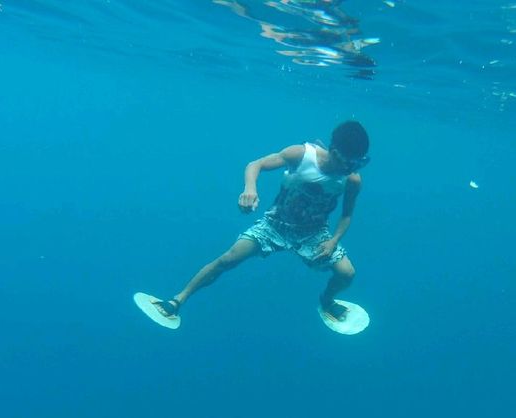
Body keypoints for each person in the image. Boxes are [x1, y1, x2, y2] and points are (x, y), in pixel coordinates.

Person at [152, 120, 370, 323]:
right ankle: (178, 300)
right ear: (334, 152)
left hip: (313, 233)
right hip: (275, 225)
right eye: (349, 163)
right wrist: (249, 189)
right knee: (228, 259)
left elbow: (347, 215)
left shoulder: (352, 180)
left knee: (346, 273)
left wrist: (334, 240)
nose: (352, 169)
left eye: (359, 164)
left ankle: (327, 301)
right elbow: (255, 165)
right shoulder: (301, 155)